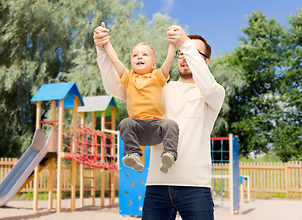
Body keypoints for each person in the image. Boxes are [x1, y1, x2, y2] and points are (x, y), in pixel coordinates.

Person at [93, 22, 225, 220]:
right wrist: (102, 49)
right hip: (157, 186)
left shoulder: (212, 93)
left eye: (192, 53)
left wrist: (185, 43)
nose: (185, 56)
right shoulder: (159, 89)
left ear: (205, 62)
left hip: (195, 187)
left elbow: (207, 84)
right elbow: (114, 86)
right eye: (182, 53)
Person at [102, 24, 180, 173]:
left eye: (144, 55)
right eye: (135, 55)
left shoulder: (158, 76)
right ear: (131, 64)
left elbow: (169, 60)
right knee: (125, 123)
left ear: (153, 64)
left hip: (157, 127)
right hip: (137, 129)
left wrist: (172, 42)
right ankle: (134, 155)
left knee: (171, 124)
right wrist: (106, 43)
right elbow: (114, 59)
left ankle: (169, 155)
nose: (139, 57)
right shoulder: (128, 77)